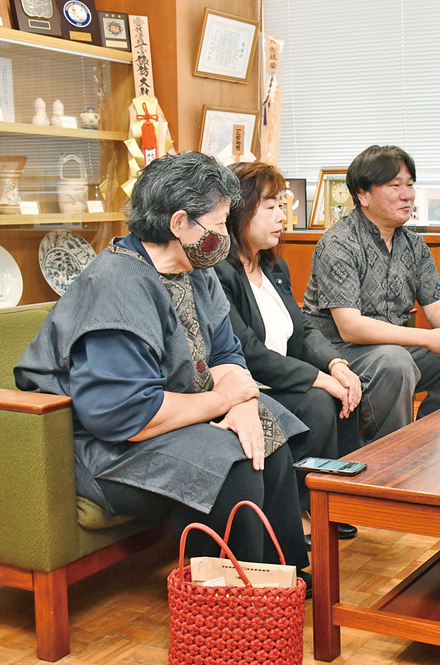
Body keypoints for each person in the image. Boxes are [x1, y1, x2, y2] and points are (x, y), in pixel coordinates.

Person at [14, 152, 313, 591]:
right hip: (106, 449)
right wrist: (225, 400)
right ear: (179, 224)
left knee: (267, 437)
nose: (224, 236)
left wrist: (245, 405)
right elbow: (125, 416)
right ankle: (228, 607)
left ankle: (282, 581)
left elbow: (228, 352)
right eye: (217, 224)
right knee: (233, 466)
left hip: (176, 420)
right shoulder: (116, 286)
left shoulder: (197, 268)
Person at [303, 145, 440, 443]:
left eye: (410, 185)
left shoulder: (414, 245)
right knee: (395, 362)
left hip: (390, 347)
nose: (407, 195)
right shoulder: (338, 244)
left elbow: (438, 306)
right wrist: (429, 338)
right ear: (363, 195)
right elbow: (351, 328)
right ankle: (391, 453)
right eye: (394, 186)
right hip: (338, 352)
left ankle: (430, 438)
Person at [217, 161, 362, 539]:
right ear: (237, 210)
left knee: (346, 389)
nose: (282, 216)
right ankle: (299, 510)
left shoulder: (273, 268)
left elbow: (303, 330)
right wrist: (319, 380)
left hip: (281, 379)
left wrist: (336, 365)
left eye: (282, 205)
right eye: (270, 207)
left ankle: (333, 500)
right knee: (318, 402)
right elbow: (246, 350)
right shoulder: (220, 274)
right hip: (248, 387)